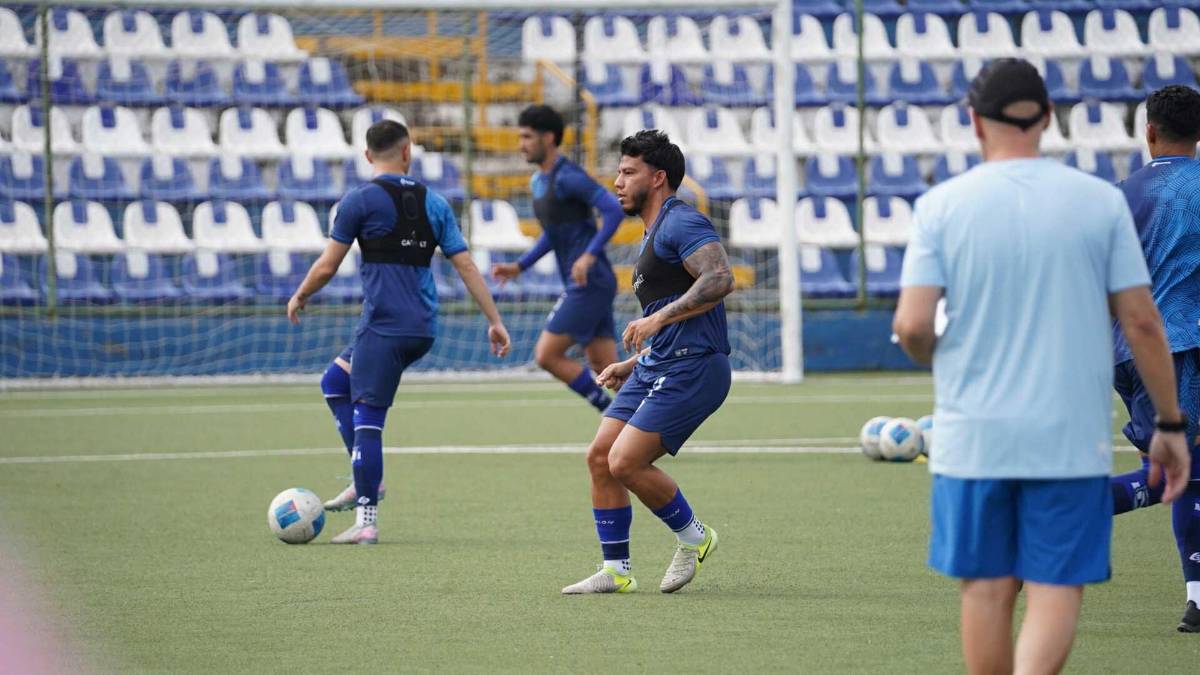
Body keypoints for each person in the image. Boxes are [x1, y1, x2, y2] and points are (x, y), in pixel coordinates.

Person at [892, 59, 1192, 674]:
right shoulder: (1097, 202)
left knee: (987, 588)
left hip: (975, 431)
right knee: (1056, 586)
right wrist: (1168, 422)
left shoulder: (942, 206)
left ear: (975, 121)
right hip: (1067, 431)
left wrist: (942, 356)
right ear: (1048, 118)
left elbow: (914, 327)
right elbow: (1142, 322)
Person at [287, 120, 511, 544]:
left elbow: (328, 265)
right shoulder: (435, 202)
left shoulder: (358, 201)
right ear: (407, 152)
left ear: (367, 155)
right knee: (335, 382)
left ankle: (366, 520)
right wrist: (494, 321)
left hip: (383, 327)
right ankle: (367, 479)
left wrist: (300, 295)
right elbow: (465, 265)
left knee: (368, 418)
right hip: (422, 328)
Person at [561, 130, 734, 595]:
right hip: (659, 364)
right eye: (618, 171)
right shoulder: (653, 233)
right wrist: (635, 361)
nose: (617, 181)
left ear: (658, 178)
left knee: (625, 461)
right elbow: (682, 314)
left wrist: (657, 319)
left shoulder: (681, 221)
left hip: (696, 367)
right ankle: (616, 570)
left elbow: (720, 278)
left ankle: (695, 537)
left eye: (628, 172)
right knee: (601, 457)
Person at [1106, 84, 1200, 633]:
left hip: (1126, 350)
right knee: (1179, 473)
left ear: (1149, 132)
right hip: (1181, 349)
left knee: (1176, 475)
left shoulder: (1119, 196)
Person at [491, 105, 624, 412]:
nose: (521, 144)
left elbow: (613, 210)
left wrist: (588, 255)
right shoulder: (539, 182)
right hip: (586, 282)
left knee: (547, 355)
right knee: (606, 367)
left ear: (548, 138)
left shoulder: (569, 177)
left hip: (590, 281)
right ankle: (643, 422)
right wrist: (520, 266)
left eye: (527, 137)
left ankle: (611, 414)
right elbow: (553, 233)